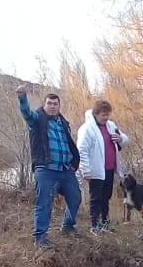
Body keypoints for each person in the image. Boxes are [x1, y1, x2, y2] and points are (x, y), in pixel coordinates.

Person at [17, 85, 81, 249]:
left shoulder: (63, 122)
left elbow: (69, 144)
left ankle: (68, 226)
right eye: (49, 103)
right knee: (44, 203)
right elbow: (26, 113)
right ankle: (40, 238)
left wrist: (74, 162)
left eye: (55, 104)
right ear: (44, 105)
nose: (52, 106)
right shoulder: (37, 119)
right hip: (46, 170)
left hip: (65, 170)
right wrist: (22, 98)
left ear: (59, 106)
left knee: (75, 198)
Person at [77, 100, 130, 233]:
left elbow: (125, 139)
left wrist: (120, 139)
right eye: (103, 115)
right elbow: (82, 150)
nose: (106, 118)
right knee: (96, 197)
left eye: (107, 115)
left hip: (110, 167)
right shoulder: (87, 129)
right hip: (95, 169)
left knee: (106, 196)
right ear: (96, 114)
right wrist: (86, 170)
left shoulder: (111, 126)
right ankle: (94, 225)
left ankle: (105, 221)